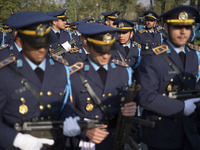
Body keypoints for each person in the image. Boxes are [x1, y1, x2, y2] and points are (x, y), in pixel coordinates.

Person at [0, 11, 80, 150]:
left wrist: (69, 119)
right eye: (35, 43)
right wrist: (15, 139)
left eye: (45, 42)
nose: (41, 49)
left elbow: (65, 104)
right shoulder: (5, 74)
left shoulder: (61, 69)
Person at [136, 5, 200, 150]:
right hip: (162, 133)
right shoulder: (153, 57)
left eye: (187, 27)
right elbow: (145, 96)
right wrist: (182, 107)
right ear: (166, 28)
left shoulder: (192, 55)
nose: (183, 32)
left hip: (189, 131)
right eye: (177, 27)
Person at [66, 22, 137, 150]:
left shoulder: (124, 72)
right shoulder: (72, 75)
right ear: (87, 45)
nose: (105, 55)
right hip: (84, 142)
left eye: (109, 49)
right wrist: (84, 131)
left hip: (114, 140)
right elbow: (65, 114)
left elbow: (128, 108)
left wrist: (130, 109)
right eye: (100, 49)